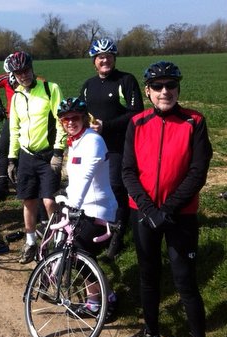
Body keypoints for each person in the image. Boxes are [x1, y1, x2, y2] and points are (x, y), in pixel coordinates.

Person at [121, 61, 213, 337]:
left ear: (178, 89)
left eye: (170, 85)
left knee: (185, 281)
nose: (164, 91)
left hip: (180, 215)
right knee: (148, 277)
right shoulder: (138, 122)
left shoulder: (194, 122)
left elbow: (197, 172)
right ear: (147, 91)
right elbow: (128, 171)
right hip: (144, 213)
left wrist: (169, 208)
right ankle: (152, 336)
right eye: (157, 86)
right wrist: (147, 207)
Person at [79, 38, 143, 259]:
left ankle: (117, 235)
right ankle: (96, 229)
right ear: (94, 61)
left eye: (108, 56)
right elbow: (80, 113)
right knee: (94, 188)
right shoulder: (88, 85)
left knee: (117, 189)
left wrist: (106, 126)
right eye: (100, 57)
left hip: (118, 146)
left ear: (114, 58)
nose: (104, 60)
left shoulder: (126, 80)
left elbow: (136, 113)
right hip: (93, 148)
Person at [58, 97, 118, 319]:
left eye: (75, 118)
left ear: (84, 118)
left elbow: (86, 176)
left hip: (99, 208)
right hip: (82, 207)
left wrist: (72, 206)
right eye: (66, 120)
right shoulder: (76, 141)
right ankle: (100, 296)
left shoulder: (93, 141)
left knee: (79, 252)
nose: (70, 122)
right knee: (79, 255)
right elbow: (75, 180)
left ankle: (104, 299)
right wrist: (65, 198)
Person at [6, 51, 66, 264]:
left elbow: (61, 121)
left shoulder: (50, 89)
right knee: (28, 200)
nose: (23, 75)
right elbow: (15, 128)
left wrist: (59, 151)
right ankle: (31, 242)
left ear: (32, 68)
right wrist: (12, 158)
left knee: (49, 201)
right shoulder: (16, 97)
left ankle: (59, 241)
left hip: (48, 155)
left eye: (26, 70)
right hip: (26, 156)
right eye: (18, 73)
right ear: (14, 74)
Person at [0, 58, 18, 201]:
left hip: (27, 118)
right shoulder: (6, 79)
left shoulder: (34, 79)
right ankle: (2, 183)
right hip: (11, 118)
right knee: (3, 149)